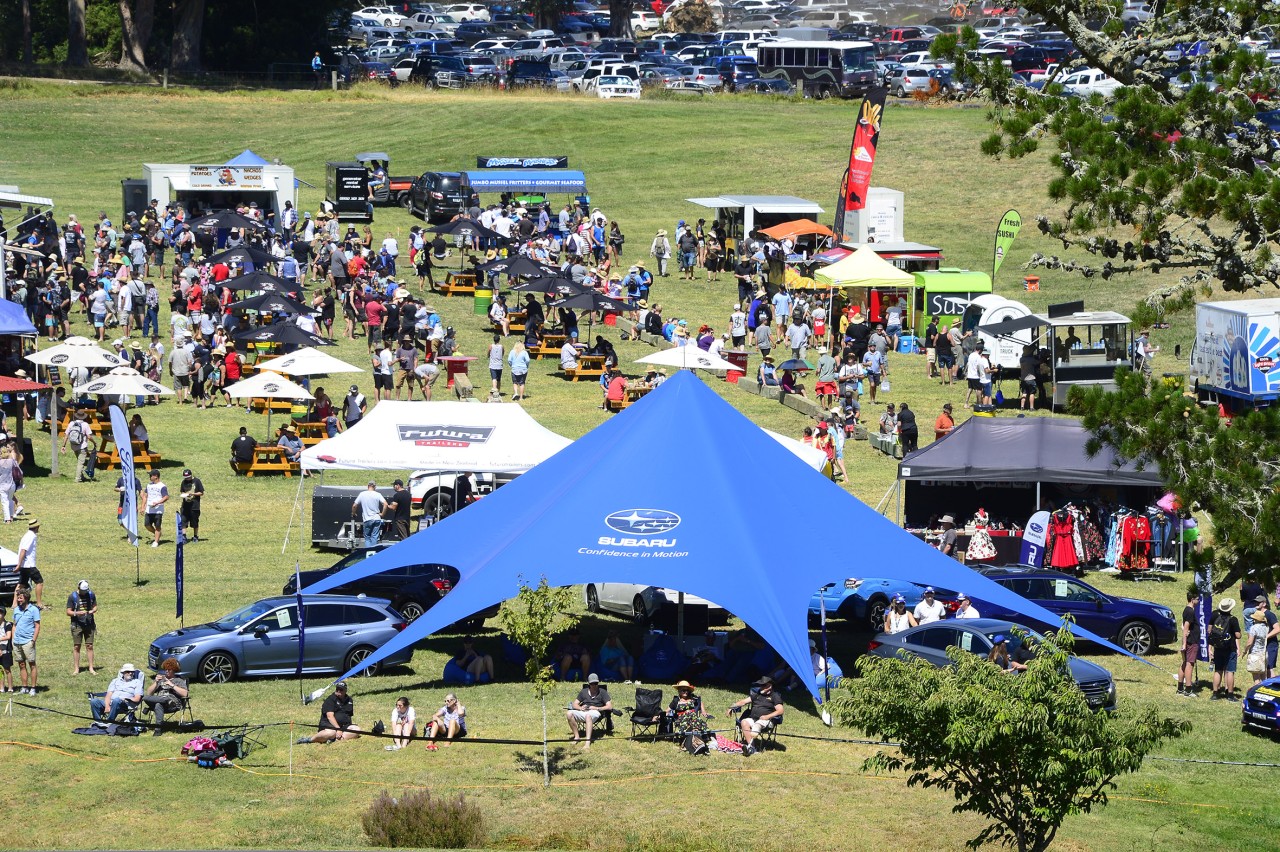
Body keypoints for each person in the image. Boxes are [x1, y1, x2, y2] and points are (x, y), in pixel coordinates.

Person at [727, 675, 783, 757]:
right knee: (744, 722)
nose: (761, 687)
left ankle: (749, 747)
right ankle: (752, 748)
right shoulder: (757, 694)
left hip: (767, 721)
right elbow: (743, 702)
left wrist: (767, 716)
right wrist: (732, 707)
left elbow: (780, 710)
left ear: (770, 686)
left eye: (763, 685)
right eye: (760, 685)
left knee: (758, 724)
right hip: (754, 719)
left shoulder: (775, 696)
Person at [143, 657, 189, 735]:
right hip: (161, 702)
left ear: (174, 670)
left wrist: (172, 685)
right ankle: (158, 730)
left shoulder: (179, 680)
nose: (166, 671)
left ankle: (157, 728)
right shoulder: (161, 680)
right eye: (165, 669)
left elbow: (185, 694)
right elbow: (149, 693)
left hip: (172, 704)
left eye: (169, 669)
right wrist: (156, 682)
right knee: (157, 703)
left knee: (161, 701)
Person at [566, 673, 612, 749]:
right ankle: (577, 737)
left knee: (588, 716)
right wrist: (580, 708)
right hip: (584, 711)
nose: (594, 685)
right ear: (589, 683)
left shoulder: (603, 692)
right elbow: (575, 704)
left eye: (596, 683)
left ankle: (587, 742)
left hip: (596, 712)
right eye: (592, 684)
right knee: (569, 713)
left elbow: (609, 706)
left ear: (598, 683)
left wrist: (597, 708)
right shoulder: (584, 692)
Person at [1208, 598, 1241, 701]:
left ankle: (1215, 693)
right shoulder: (1233, 619)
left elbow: (1209, 630)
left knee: (1218, 670)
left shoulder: (1214, 615)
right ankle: (1230, 694)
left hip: (1218, 647)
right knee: (1230, 671)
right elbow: (1238, 635)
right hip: (1230, 648)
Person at [11, 587, 40, 695]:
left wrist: (33, 640)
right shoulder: (16, 610)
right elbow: (14, 625)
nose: (19, 600)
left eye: (20, 598)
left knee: (32, 664)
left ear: (26, 598)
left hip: (28, 641)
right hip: (17, 641)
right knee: (21, 664)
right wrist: (13, 639)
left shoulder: (34, 610)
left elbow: (37, 626)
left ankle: (33, 688)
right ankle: (24, 687)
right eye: (18, 598)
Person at [67, 579, 97, 676]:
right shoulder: (72, 597)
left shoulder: (91, 594)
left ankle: (91, 667)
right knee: (77, 646)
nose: (84, 593)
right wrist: (77, 613)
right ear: (78, 588)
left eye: (86, 591)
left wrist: (92, 611)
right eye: (83, 591)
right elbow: (68, 612)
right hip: (77, 625)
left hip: (89, 623)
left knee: (89, 646)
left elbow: (95, 606)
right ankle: (76, 668)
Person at [61, 410, 97, 483]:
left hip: (73, 446)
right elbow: (89, 437)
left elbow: (66, 435)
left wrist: (63, 445)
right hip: (82, 446)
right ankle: (77, 479)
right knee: (80, 463)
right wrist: (94, 442)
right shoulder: (85, 424)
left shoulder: (71, 423)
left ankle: (81, 476)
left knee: (79, 460)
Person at [15, 518, 43, 608]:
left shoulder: (27, 535)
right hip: (29, 564)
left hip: (24, 564)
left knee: (21, 584)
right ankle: (39, 603)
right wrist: (19, 564)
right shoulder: (31, 536)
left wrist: (20, 564)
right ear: (36, 527)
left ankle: (14, 604)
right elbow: (23, 550)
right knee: (39, 582)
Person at [1178, 588, 1201, 697]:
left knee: (1184, 663)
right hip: (1191, 641)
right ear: (1192, 600)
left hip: (1188, 640)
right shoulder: (1190, 611)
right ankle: (1188, 689)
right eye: (1197, 599)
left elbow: (1184, 627)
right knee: (1189, 664)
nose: (1199, 601)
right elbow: (1186, 627)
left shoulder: (1186, 610)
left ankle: (1180, 688)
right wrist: (1184, 643)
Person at [352, 481, 387, 548]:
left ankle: (368, 552)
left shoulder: (362, 494)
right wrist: (382, 514)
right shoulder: (378, 494)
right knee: (374, 537)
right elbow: (385, 504)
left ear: (368, 486)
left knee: (367, 538)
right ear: (375, 487)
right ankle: (374, 552)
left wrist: (354, 513)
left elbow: (354, 506)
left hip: (367, 519)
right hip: (377, 518)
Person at [142, 470, 168, 548]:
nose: (149, 477)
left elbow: (166, 497)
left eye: (151, 475)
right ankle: (157, 533)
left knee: (157, 526)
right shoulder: (148, 485)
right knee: (147, 524)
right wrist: (143, 507)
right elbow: (145, 496)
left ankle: (156, 541)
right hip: (149, 509)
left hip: (158, 510)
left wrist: (157, 503)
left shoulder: (162, 486)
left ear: (156, 476)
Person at [178, 468, 204, 540]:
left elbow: (201, 493)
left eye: (188, 477)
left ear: (191, 475)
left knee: (195, 522)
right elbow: (182, 491)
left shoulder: (197, 481)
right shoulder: (183, 482)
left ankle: (195, 536)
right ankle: (184, 536)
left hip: (194, 506)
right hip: (185, 505)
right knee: (183, 521)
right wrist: (184, 494)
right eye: (185, 477)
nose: (187, 479)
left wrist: (193, 493)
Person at [1245, 609, 1270, 685]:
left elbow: (1250, 642)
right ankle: (1265, 691)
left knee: (1256, 677)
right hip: (1263, 653)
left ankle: (1257, 692)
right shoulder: (1266, 627)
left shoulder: (1254, 628)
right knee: (1263, 676)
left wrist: (1245, 651)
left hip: (1255, 654)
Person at [0, 605, 12, 694]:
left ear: (4, 614)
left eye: (1, 613)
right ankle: (2, 687)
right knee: (0, 670)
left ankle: (10, 687)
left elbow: (8, 636)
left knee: (7, 669)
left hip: (6, 649)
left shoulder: (7, 625)